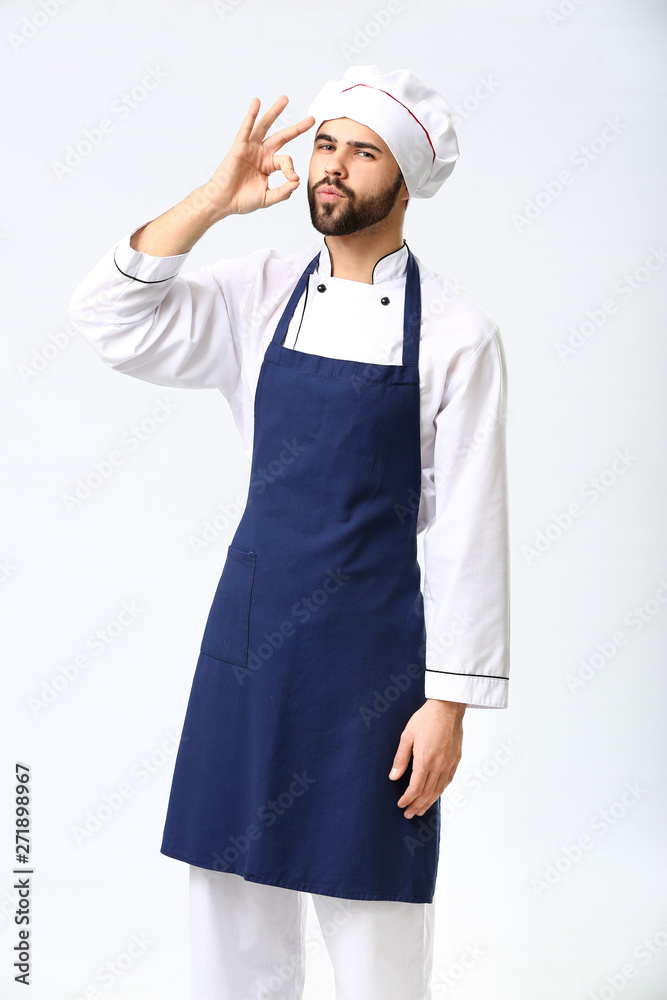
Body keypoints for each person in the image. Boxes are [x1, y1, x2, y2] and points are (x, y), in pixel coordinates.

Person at [68, 64, 510, 1000]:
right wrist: (214, 202)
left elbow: (469, 527)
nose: (333, 168)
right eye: (325, 144)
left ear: (405, 178)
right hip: (249, 644)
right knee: (229, 912)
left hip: (377, 669)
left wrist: (451, 704)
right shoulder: (256, 292)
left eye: (362, 151)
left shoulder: (457, 337)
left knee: (375, 916)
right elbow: (107, 319)